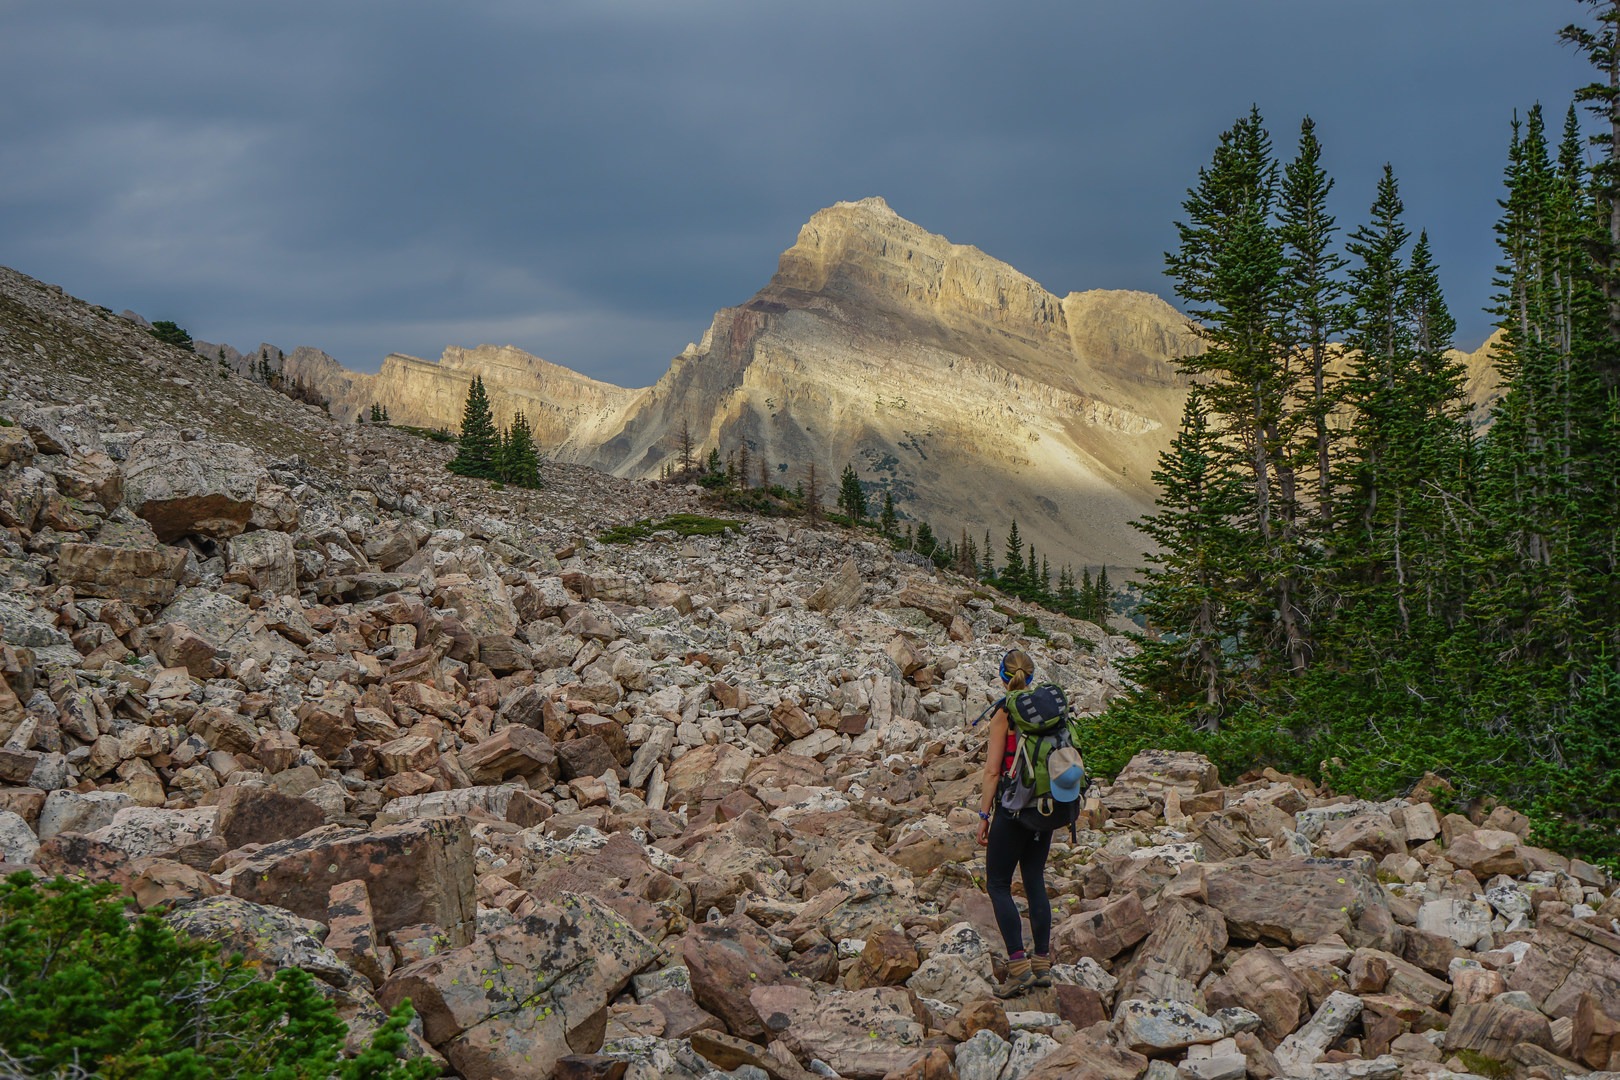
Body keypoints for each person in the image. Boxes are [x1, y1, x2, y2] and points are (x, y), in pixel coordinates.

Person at [975, 648, 1053, 997]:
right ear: (1032, 677)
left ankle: (1018, 966)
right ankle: (1042, 962)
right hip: (1045, 808)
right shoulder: (1047, 711)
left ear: (1002, 677)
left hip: (1013, 807)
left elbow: (993, 771)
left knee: (998, 885)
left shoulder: (1004, 714)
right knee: (1034, 879)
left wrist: (983, 815)